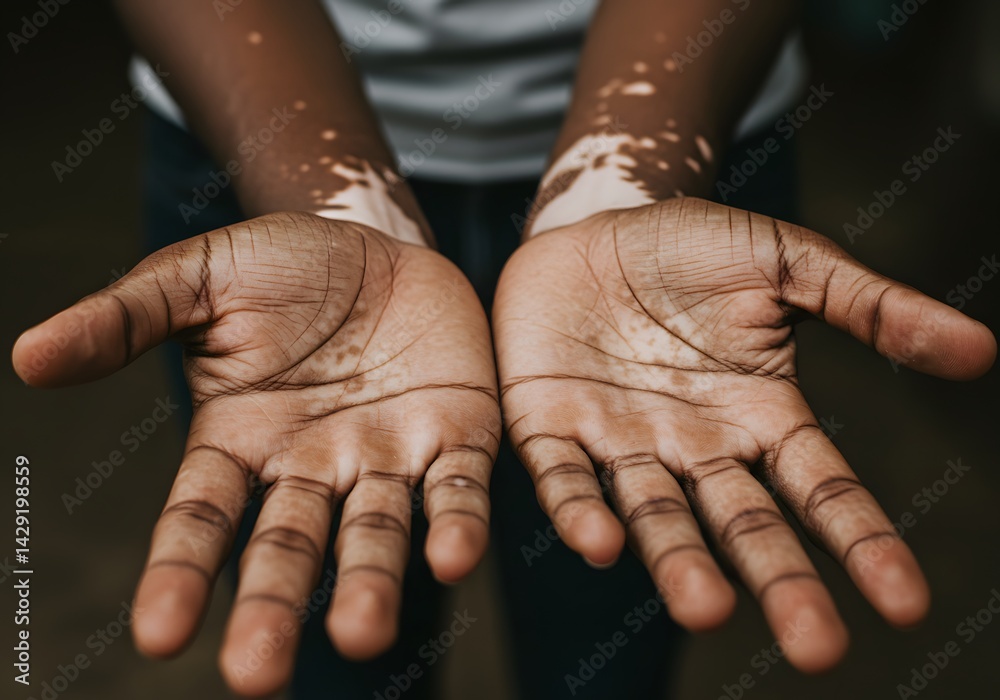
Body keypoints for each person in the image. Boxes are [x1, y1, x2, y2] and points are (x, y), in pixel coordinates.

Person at [11, 1, 996, 698]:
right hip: (253, 153)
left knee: (611, 617)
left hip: (684, 181)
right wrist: (334, 196)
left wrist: (618, 182)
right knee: (322, 614)